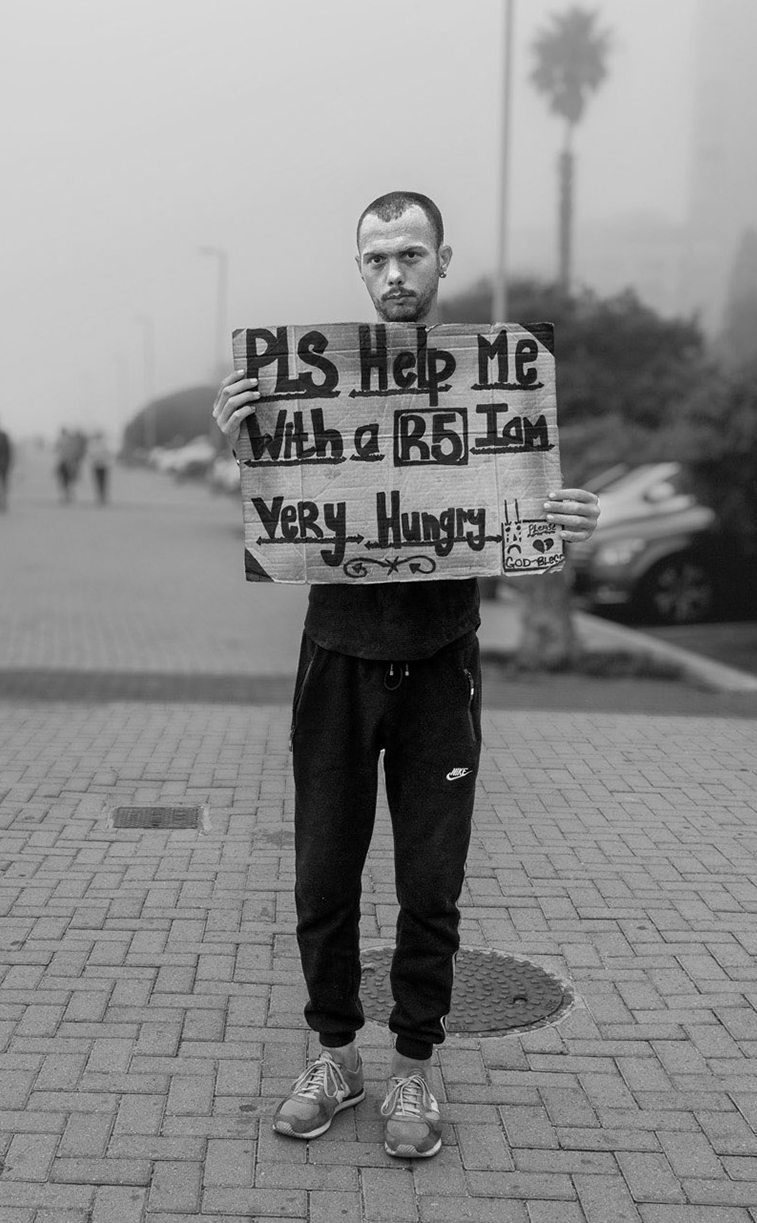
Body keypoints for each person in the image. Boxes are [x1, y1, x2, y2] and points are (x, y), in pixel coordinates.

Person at [212, 192, 603, 1159]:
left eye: (411, 255)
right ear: (360, 268)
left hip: (439, 662)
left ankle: (417, 1064)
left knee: (432, 882)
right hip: (335, 658)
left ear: (442, 262)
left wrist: (568, 522)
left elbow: (520, 510)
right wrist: (245, 442)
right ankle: (334, 1055)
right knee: (323, 874)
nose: (394, 273)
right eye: (377, 257)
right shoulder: (307, 384)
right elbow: (281, 505)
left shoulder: (490, 380)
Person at [87, 431, 112, 505]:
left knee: (103, 482)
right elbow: (91, 455)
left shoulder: (104, 444)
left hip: (103, 466)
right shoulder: (92, 445)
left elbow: (107, 454)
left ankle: (103, 497)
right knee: (98, 482)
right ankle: (99, 497)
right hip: (96, 466)